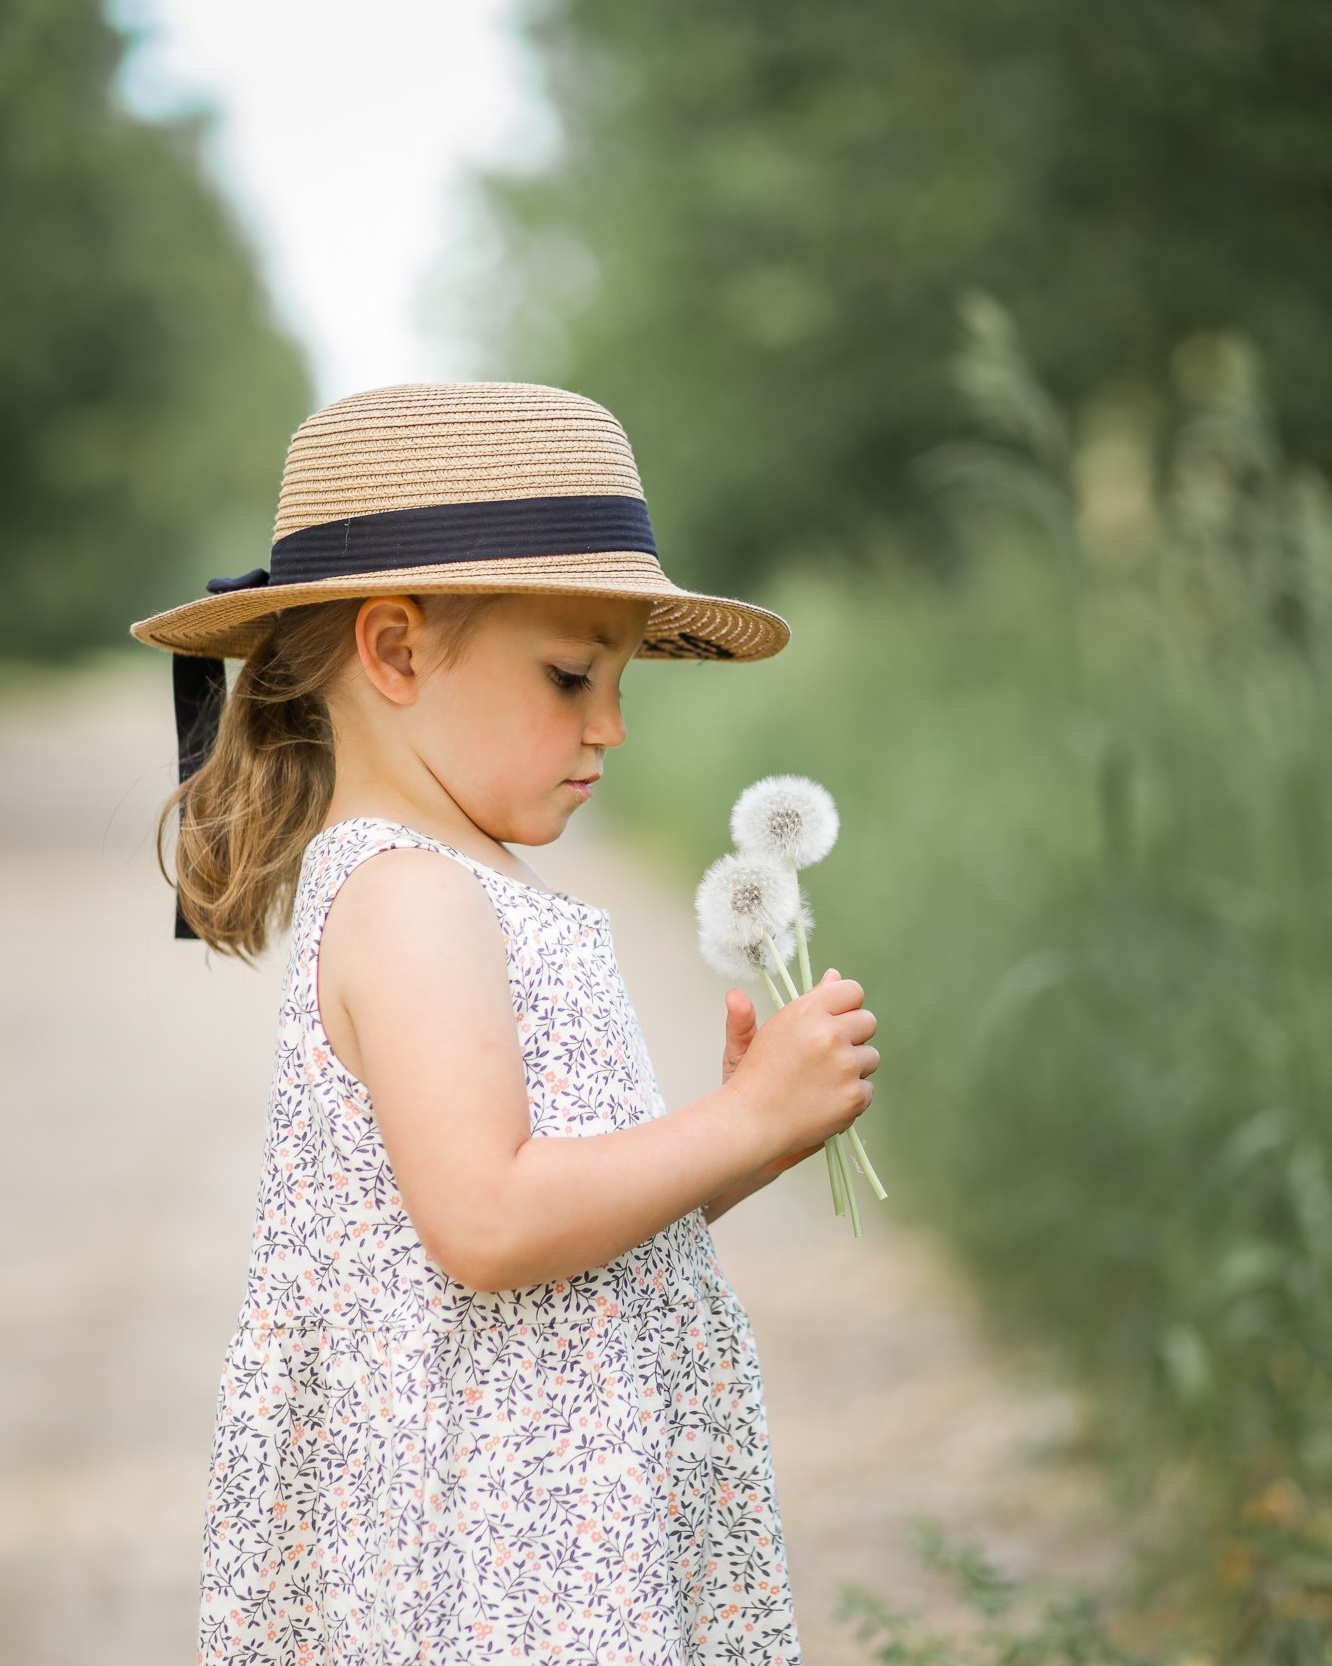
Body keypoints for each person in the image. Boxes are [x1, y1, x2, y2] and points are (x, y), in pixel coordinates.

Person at [130, 382, 879, 1665]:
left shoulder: (460, 882)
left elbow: (557, 1234)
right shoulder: (413, 898)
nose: (614, 725)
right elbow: (488, 1223)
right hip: (491, 1548)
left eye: (623, 678)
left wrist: (745, 1143)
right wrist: (739, 1114)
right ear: (398, 651)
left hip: (545, 1513)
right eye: (575, 674)